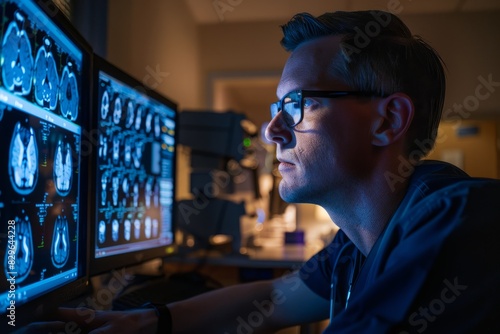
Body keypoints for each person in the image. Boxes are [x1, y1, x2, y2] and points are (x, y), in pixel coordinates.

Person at [24, 9, 500, 334]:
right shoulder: (360, 241)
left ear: (388, 120)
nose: (272, 131)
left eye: (296, 104)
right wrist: (144, 323)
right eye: (278, 105)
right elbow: (274, 297)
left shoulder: (456, 224)